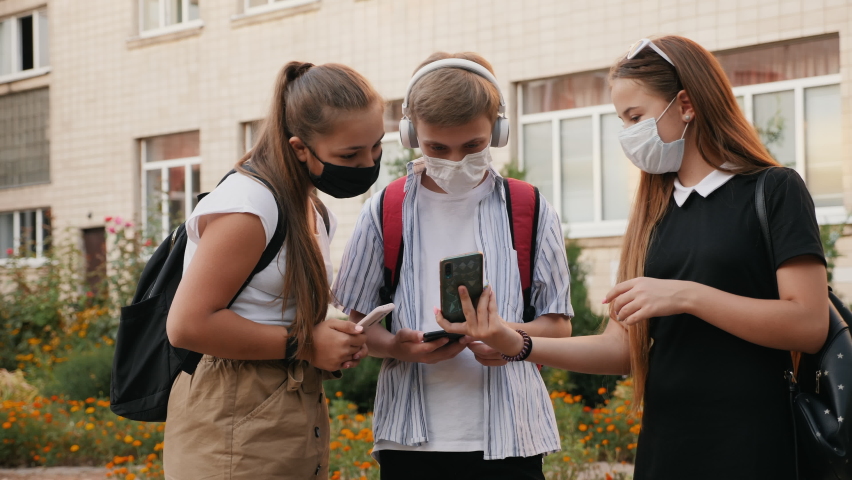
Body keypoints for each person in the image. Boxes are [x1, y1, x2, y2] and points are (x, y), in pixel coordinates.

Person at [437, 36, 830, 480]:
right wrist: (517, 345)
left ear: (686, 105)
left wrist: (688, 296)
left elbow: (809, 325)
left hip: (755, 442)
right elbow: (621, 347)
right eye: (622, 120)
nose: (628, 134)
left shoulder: (774, 190)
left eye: (635, 117)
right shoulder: (652, 210)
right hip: (667, 445)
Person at [333, 52, 574, 480]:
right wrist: (395, 347)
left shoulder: (531, 208)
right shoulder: (382, 211)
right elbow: (357, 326)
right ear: (411, 134)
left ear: (497, 132)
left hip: (513, 438)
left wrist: (509, 338)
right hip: (410, 440)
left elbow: (559, 328)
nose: (456, 159)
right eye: (437, 148)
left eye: (473, 145)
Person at [163, 61, 385, 479]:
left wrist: (340, 341)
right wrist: (305, 345)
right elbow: (188, 326)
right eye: (350, 154)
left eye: (376, 146)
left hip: (287, 416)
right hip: (233, 419)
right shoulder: (250, 206)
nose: (367, 163)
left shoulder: (310, 206)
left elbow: (270, 310)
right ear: (301, 148)